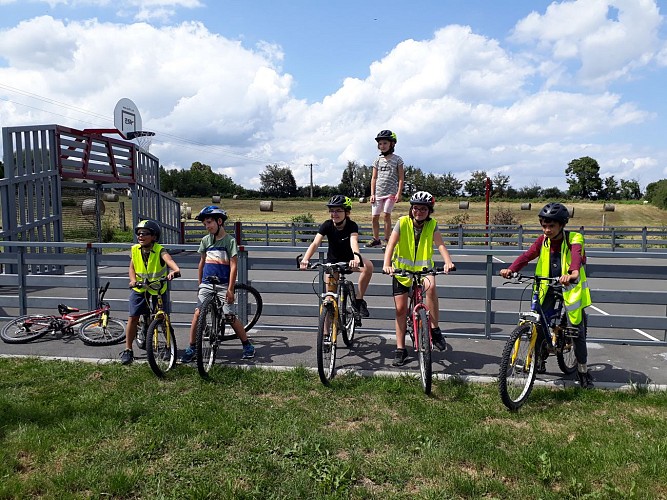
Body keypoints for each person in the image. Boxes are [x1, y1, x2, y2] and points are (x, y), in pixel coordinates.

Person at [499, 202, 594, 388]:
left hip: (570, 287)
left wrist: (573, 273)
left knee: (576, 331)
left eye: (551, 226)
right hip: (547, 285)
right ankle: (539, 357)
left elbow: (576, 258)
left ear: (562, 225)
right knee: (540, 321)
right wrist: (511, 269)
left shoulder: (574, 238)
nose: (547, 230)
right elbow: (527, 256)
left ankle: (582, 370)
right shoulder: (542, 240)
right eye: (544, 225)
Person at [382, 191, 455, 367]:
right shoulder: (402, 222)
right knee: (400, 309)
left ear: (429, 211)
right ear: (411, 209)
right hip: (401, 270)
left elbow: (440, 245)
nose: (419, 211)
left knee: (431, 288)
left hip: (424, 269)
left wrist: (448, 262)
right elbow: (391, 244)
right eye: (416, 208)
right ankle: (400, 349)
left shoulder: (432, 225)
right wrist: (387, 264)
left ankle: (435, 329)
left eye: (423, 209)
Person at [180, 206, 255, 363]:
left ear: (219, 221)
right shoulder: (205, 241)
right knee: (197, 314)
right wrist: (200, 283)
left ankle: (247, 345)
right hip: (207, 284)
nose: (207, 226)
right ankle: (192, 347)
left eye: (209, 223)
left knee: (229, 316)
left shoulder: (229, 241)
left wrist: (230, 289)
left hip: (223, 284)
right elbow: (201, 263)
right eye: (205, 224)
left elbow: (234, 265)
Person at [299, 195, 374, 318]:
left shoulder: (352, 225)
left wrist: (356, 257)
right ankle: (325, 334)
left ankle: (358, 301)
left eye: (339, 210)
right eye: (332, 210)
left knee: (368, 266)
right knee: (329, 299)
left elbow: (353, 241)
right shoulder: (327, 225)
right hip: (333, 263)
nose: (335, 214)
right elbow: (315, 243)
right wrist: (306, 259)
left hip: (350, 261)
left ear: (347, 212)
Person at [120, 219, 180, 365]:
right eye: (139, 233)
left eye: (145, 233)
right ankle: (128, 350)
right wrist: (132, 280)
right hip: (140, 288)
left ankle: (168, 346)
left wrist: (175, 269)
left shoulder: (160, 249)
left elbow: (168, 259)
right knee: (133, 317)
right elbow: (132, 268)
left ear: (154, 236)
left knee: (163, 317)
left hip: (158, 288)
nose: (141, 236)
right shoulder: (135, 249)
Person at [366, 129, 405, 248]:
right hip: (378, 193)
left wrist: (399, 193)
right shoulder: (377, 160)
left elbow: (401, 178)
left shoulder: (397, 159)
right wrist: (372, 194)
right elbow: (373, 178)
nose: (382, 146)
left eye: (385, 143)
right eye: (380, 144)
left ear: (392, 144)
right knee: (374, 217)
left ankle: (387, 240)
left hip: (390, 193)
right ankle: (376, 239)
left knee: (386, 215)